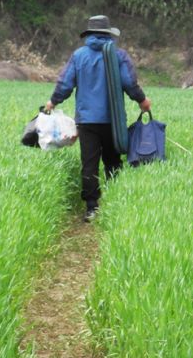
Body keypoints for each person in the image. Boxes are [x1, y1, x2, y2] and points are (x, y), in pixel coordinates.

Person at [46, 15, 151, 221]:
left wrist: (53, 102)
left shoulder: (79, 55)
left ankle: (92, 208)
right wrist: (142, 101)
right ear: (108, 34)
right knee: (113, 160)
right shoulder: (118, 56)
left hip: (86, 121)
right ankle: (115, 203)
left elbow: (65, 84)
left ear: (90, 34)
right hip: (112, 120)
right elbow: (129, 83)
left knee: (89, 163)